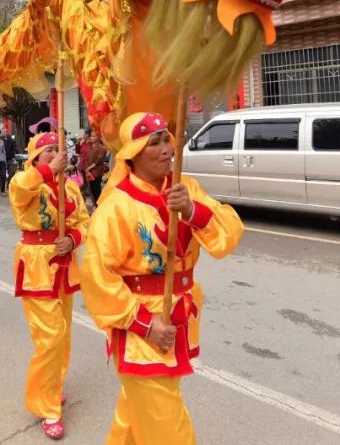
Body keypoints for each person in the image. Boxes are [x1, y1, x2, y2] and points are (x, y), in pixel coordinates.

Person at [80, 112, 244, 444]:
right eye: (153, 143)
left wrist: (192, 211)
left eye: (166, 139)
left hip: (180, 314)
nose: (166, 149)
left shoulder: (186, 188)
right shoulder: (116, 207)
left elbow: (229, 235)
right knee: (168, 430)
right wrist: (145, 325)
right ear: (133, 154)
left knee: (136, 412)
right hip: (142, 327)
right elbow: (97, 276)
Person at [8, 131, 90, 440]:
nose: (57, 154)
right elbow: (20, 191)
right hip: (37, 267)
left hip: (65, 265)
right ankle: (48, 406)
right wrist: (47, 172)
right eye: (48, 151)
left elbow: (84, 221)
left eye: (59, 149)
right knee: (50, 338)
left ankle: (52, 386)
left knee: (63, 334)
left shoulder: (71, 188)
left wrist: (73, 239)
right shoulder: (24, 182)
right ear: (35, 158)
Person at [82, 133, 108, 208]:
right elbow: (86, 158)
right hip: (89, 171)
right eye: (91, 136)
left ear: (97, 138)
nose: (92, 138)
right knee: (91, 189)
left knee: (96, 189)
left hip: (97, 171)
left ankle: (98, 205)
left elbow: (98, 161)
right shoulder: (89, 147)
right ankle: (95, 204)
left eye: (93, 136)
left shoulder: (101, 148)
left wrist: (89, 168)